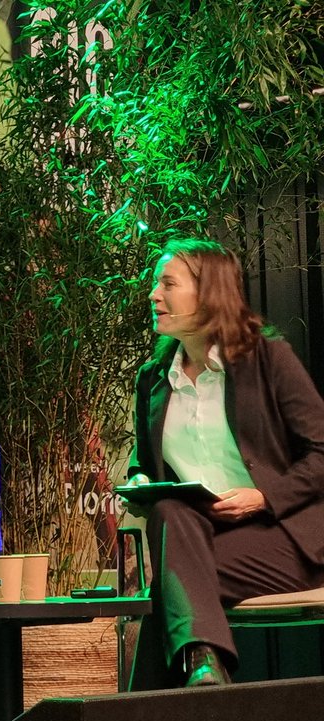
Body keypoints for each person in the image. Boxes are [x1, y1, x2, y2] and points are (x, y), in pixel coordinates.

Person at [123, 238, 324, 687]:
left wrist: (264, 497)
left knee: (171, 588)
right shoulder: (153, 379)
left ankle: (177, 692)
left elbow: (322, 453)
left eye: (168, 284)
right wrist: (138, 479)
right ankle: (204, 674)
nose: (154, 295)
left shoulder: (268, 359)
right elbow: (144, 462)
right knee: (168, 510)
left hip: (286, 536)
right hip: (201, 536)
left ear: (209, 292)